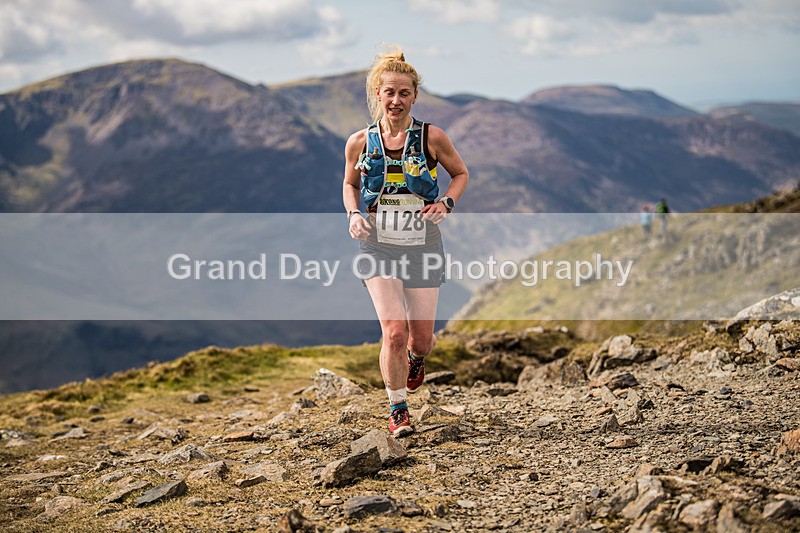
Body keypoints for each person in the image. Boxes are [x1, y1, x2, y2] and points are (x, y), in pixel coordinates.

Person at [342, 47, 469, 437]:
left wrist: (446, 203)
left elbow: (460, 174)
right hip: (377, 244)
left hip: (423, 243)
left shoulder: (432, 137)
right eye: (389, 92)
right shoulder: (359, 142)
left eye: (404, 93)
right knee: (393, 331)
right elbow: (350, 184)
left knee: (421, 339)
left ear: (414, 96)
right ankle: (398, 408)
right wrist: (353, 214)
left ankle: (417, 358)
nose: (396, 100)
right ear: (377, 95)